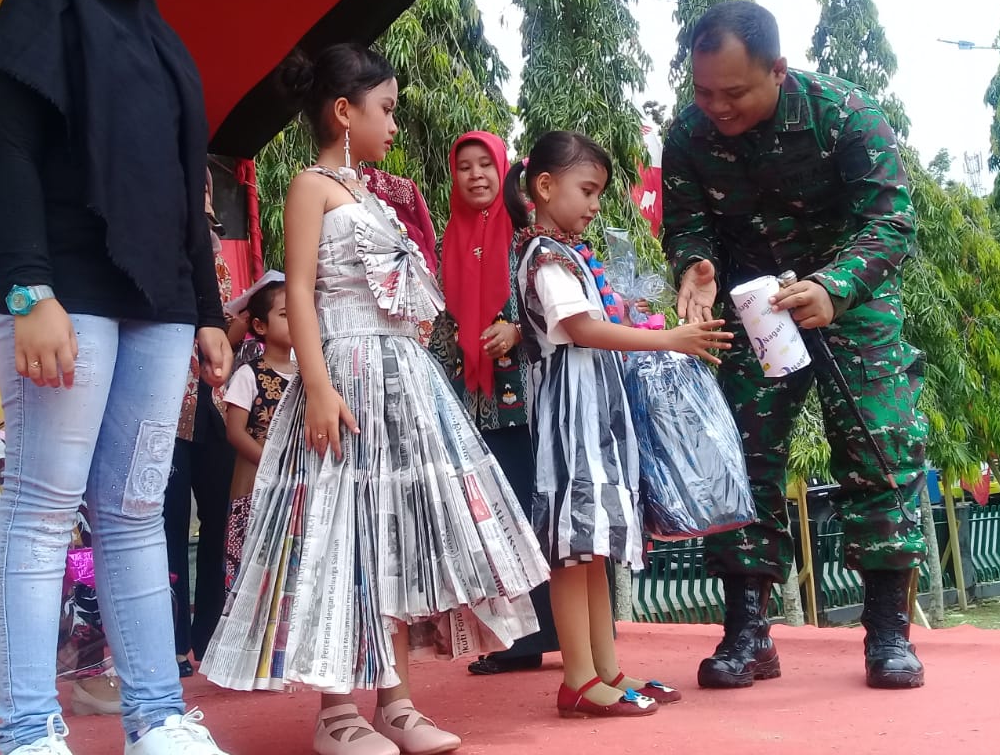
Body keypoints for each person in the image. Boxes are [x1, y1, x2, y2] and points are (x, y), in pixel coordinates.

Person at [202, 44, 549, 755]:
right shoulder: (310, 186)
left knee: (393, 533)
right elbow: (299, 292)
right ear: (343, 111)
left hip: (400, 382)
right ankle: (336, 711)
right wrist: (317, 386)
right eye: (385, 109)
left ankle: (396, 702)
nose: (393, 124)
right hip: (344, 374)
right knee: (338, 534)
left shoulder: (372, 195)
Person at [0, 0, 232, 755]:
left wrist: (209, 312)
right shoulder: (34, 21)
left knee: (133, 511)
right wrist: (29, 290)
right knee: (42, 509)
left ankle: (157, 716)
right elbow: (10, 160)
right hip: (61, 290)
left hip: (158, 302)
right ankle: (26, 729)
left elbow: (186, 194)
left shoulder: (167, 51)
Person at [661, 0, 928, 691]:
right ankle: (747, 632)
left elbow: (892, 222)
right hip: (756, 302)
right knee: (739, 455)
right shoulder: (688, 132)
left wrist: (834, 286)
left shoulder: (846, 115)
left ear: (777, 70)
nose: (716, 107)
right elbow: (686, 224)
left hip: (848, 295)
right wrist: (695, 264)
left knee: (880, 443)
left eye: (733, 92)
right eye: (703, 91)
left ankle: (888, 632)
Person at [505, 131, 732, 718]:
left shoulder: (570, 253)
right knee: (574, 549)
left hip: (596, 413)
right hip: (570, 418)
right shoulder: (544, 255)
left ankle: (606, 670)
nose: (595, 204)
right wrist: (667, 339)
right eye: (587, 190)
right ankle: (578, 679)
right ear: (545, 186)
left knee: (594, 547)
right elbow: (581, 328)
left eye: (599, 193)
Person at [431, 131, 559, 676]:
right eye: (464, 167)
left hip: (530, 401)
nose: (476, 175)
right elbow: (442, 327)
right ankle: (515, 640)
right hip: (474, 406)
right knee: (495, 521)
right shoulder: (448, 242)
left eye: (486, 164)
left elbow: (561, 304)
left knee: (539, 510)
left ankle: (563, 633)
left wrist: (517, 329)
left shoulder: (527, 235)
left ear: (503, 169)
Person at [165, 168, 247, 678]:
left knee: (220, 522)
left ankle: (213, 637)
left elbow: (220, 334)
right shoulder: (153, 244)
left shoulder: (216, 249)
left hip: (215, 405)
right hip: (166, 408)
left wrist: (241, 324)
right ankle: (171, 644)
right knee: (167, 526)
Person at [220, 278, 293, 590]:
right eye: (285, 315)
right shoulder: (248, 373)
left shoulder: (307, 375)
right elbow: (235, 432)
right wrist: (270, 462)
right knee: (250, 564)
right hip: (254, 482)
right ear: (260, 326)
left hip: (294, 483)